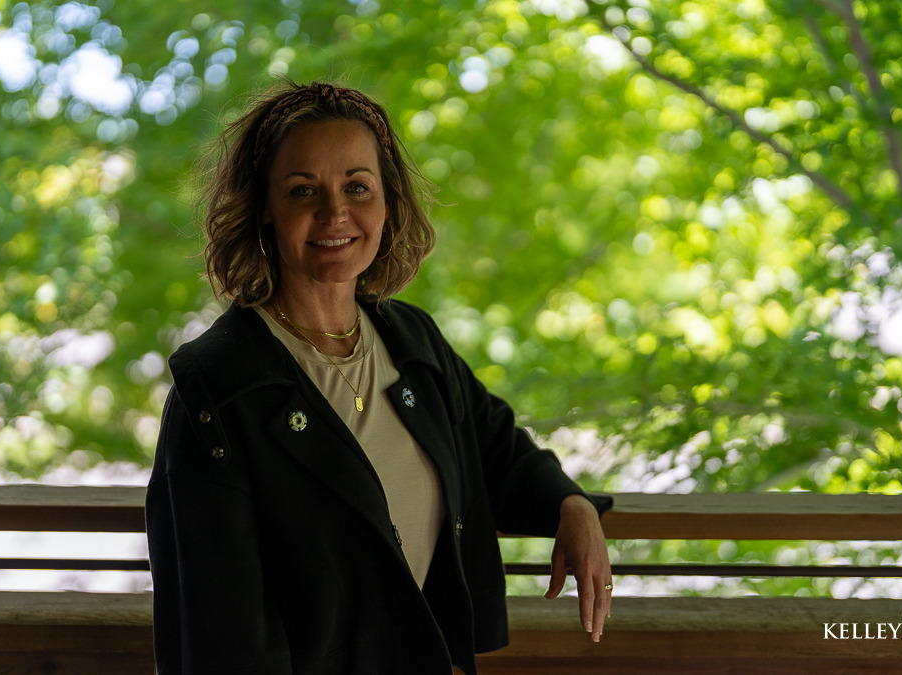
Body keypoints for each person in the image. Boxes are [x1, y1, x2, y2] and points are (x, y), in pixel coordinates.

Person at [145, 81, 613, 675]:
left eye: (357, 187)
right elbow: (218, 632)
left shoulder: (410, 340)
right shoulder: (218, 388)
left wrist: (573, 506)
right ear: (265, 206)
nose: (334, 213)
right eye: (303, 190)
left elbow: (496, 449)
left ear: (387, 202)